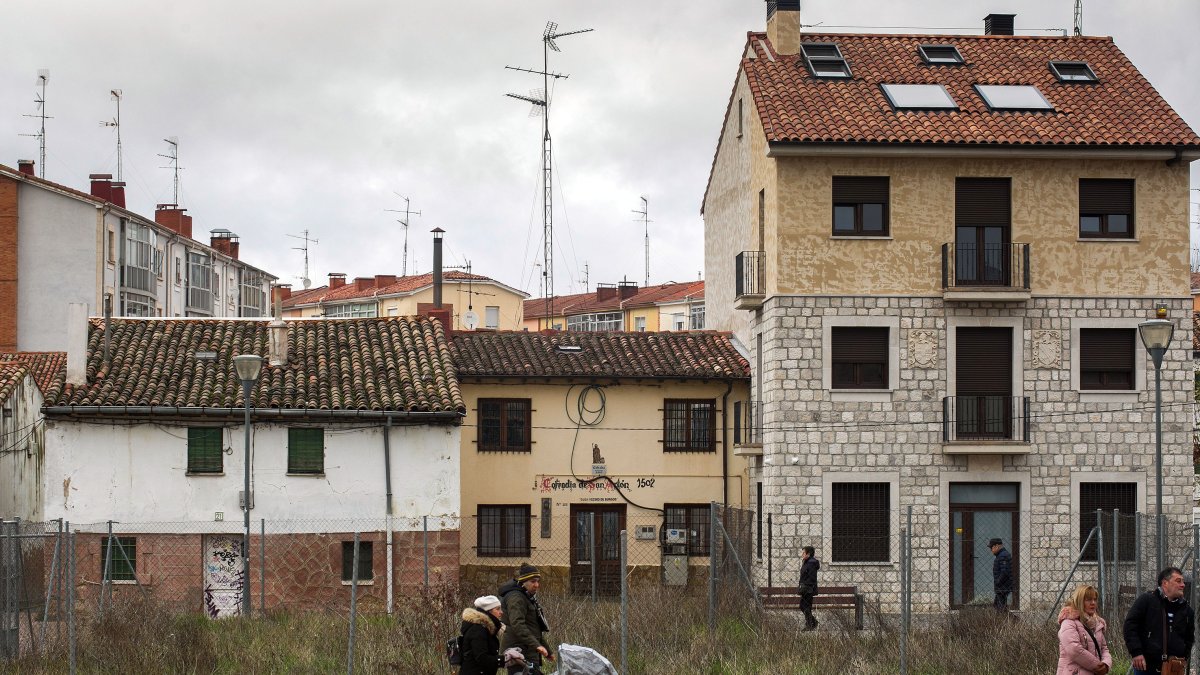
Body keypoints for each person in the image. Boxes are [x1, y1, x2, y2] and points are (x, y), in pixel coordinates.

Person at [1123, 567, 1195, 675]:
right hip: (1146, 667)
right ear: (1165, 583)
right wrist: (1136, 652)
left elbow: (1189, 638)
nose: (1183, 585)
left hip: (1173, 669)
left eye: (1183, 581)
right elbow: (1130, 626)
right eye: (1178, 581)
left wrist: (1183, 657)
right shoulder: (1147, 600)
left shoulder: (1187, 610)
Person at [499, 562, 553, 674]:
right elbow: (518, 625)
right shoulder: (516, 598)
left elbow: (533, 628)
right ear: (523, 582)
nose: (537, 585)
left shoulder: (526, 597)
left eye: (538, 581)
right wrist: (537, 645)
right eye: (533, 581)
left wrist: (547, 650)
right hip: (518, 653)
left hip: (528, 650)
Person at [1057, 584, 1112, 675]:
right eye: (1088, 600)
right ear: (1079, 601)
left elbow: (1104, 649)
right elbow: (1074, 649)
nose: (1093, 603)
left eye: (1095, 599)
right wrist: (1097, 666)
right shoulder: (1068, 622)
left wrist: (1106, 665)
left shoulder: (1097, 624)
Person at [460, 595, 505, 675]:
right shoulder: (478, 630)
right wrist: (505, 659)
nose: (501, 612)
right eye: (497, 609)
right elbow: (482, 658)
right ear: (488, 612)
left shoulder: (485, 629)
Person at [797, 545, 820, 631]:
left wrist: (805, 586)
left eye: (803, 553)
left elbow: (811, 578)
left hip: (808, 589)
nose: (802, 554)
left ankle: (811, 623)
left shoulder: (811, 564)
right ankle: (811, 623)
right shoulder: (807, 562)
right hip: (806, 588)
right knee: (805, 606)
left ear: (808, 554)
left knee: (804, 606)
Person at [989, 537, 1012, 611]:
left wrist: (998, 582)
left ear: (997, 546)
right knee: (999, 607)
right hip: (1002, 587)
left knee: (1000, 608)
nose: (991, 550)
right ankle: (1011, 620)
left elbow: (1004, 572)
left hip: (1002, 587)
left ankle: (1015, 620)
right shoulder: (1001, 555)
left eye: (991, 547)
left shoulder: (1003, 556)